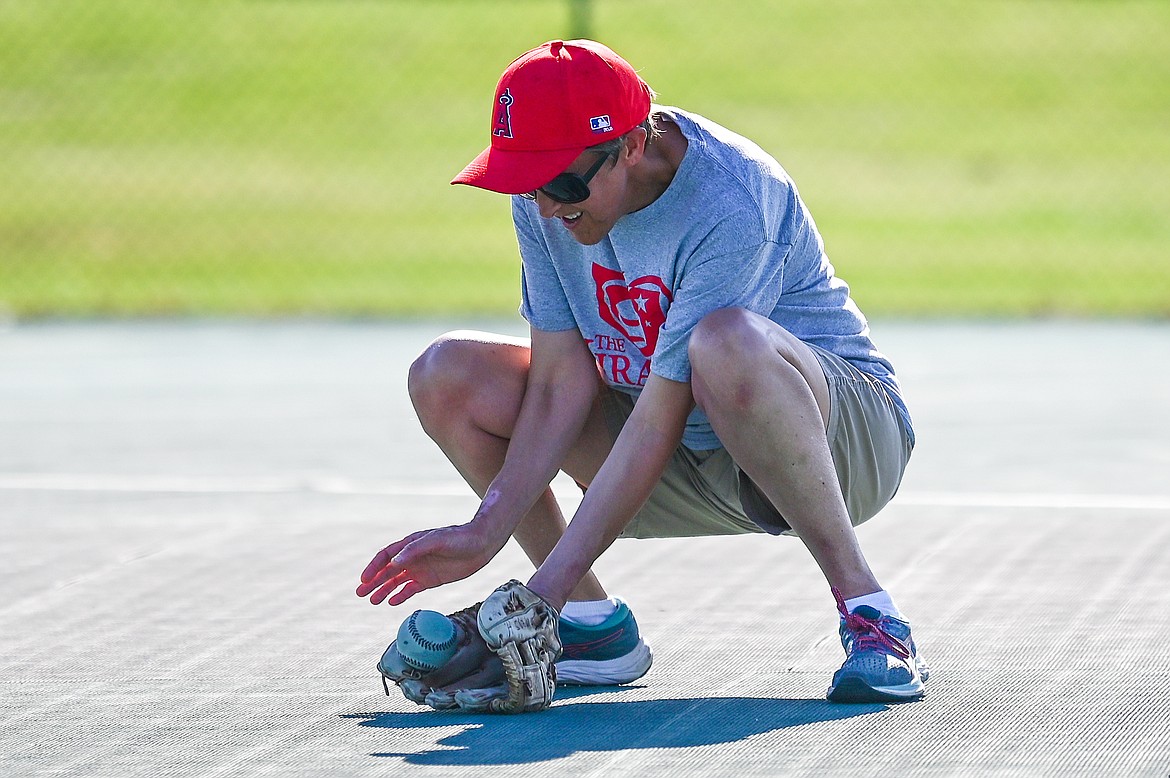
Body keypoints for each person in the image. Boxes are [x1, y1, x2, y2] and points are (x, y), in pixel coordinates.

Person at [357, 38, 929, 704]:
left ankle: (872, 617)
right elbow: (557, 380)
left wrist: (532, 599)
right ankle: (589, 630)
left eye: (562, 183)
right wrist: (487, 530)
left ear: (631, 145)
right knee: (447, 372)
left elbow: (666, 406)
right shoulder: (549, 195)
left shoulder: (732, 197)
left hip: (835, 448)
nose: (544, 204)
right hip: (675, 451)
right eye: (527, 181)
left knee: (726, 342)